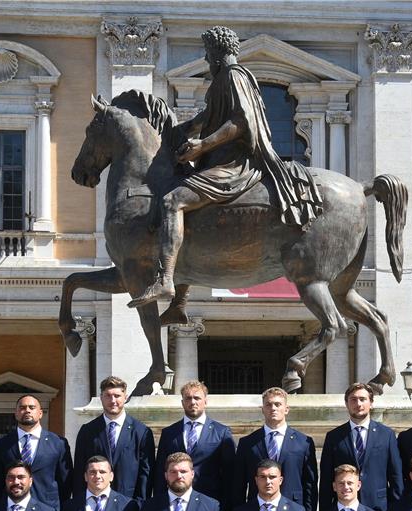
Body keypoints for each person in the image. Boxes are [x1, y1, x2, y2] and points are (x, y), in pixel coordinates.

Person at [129, 24, 323, 309]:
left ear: (218, 52)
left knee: (173, 202)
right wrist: (180, 130)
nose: (207, 60)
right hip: (221, 162)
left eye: (208, 54)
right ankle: (180, 302)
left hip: (235, 165)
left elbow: (239, 122)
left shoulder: (233, 76)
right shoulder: (223, 81)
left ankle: (166, 280)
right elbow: (208, 116)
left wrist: (202, 145)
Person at [152, 380, 236, 511]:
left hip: (211, 503)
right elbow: (161, 472)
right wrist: (158, 504)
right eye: (188, 398)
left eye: (197, 398)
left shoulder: (221, 432)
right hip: (175, 502)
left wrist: (227, 510)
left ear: (205, 401)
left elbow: (230, 475)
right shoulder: (169, 433)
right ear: (182, 402)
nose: (193, 402)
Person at [320, 382, 404, 511]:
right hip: (343, 508)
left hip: (379, 508)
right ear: (346, 404)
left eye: (363, 399)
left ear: (371, 403)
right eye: (353, 400)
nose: (358, 404)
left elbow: (395, 475)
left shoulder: (386, 435)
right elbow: (326, 478)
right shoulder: (334, 437)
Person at [236, 387, 317, 511]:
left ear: (286, 409)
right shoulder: (247, 443)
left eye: (278, 404)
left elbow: (310, 484)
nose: (273, 408)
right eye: (268, 404)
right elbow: (238, 484)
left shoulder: (304, 442)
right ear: (263, 409)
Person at [72, 376, 154, 504]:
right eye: (108, 396)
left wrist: (140, 505)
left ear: (125, 397)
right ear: (101, 398)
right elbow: (79, 471)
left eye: (117, 396)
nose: (113, 400)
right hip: (94, 503)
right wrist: (80, 503)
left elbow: (146, 474)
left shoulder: (141, 432)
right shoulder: (87, 431)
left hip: (129, 505)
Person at [0, 394, 73, 511]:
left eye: (32, 407)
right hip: (13, 510)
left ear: (40, 413)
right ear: (16, 413)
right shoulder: (2, 444)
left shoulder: (58, 443)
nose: (27, 410)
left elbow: (66, 481)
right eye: (22, 408)